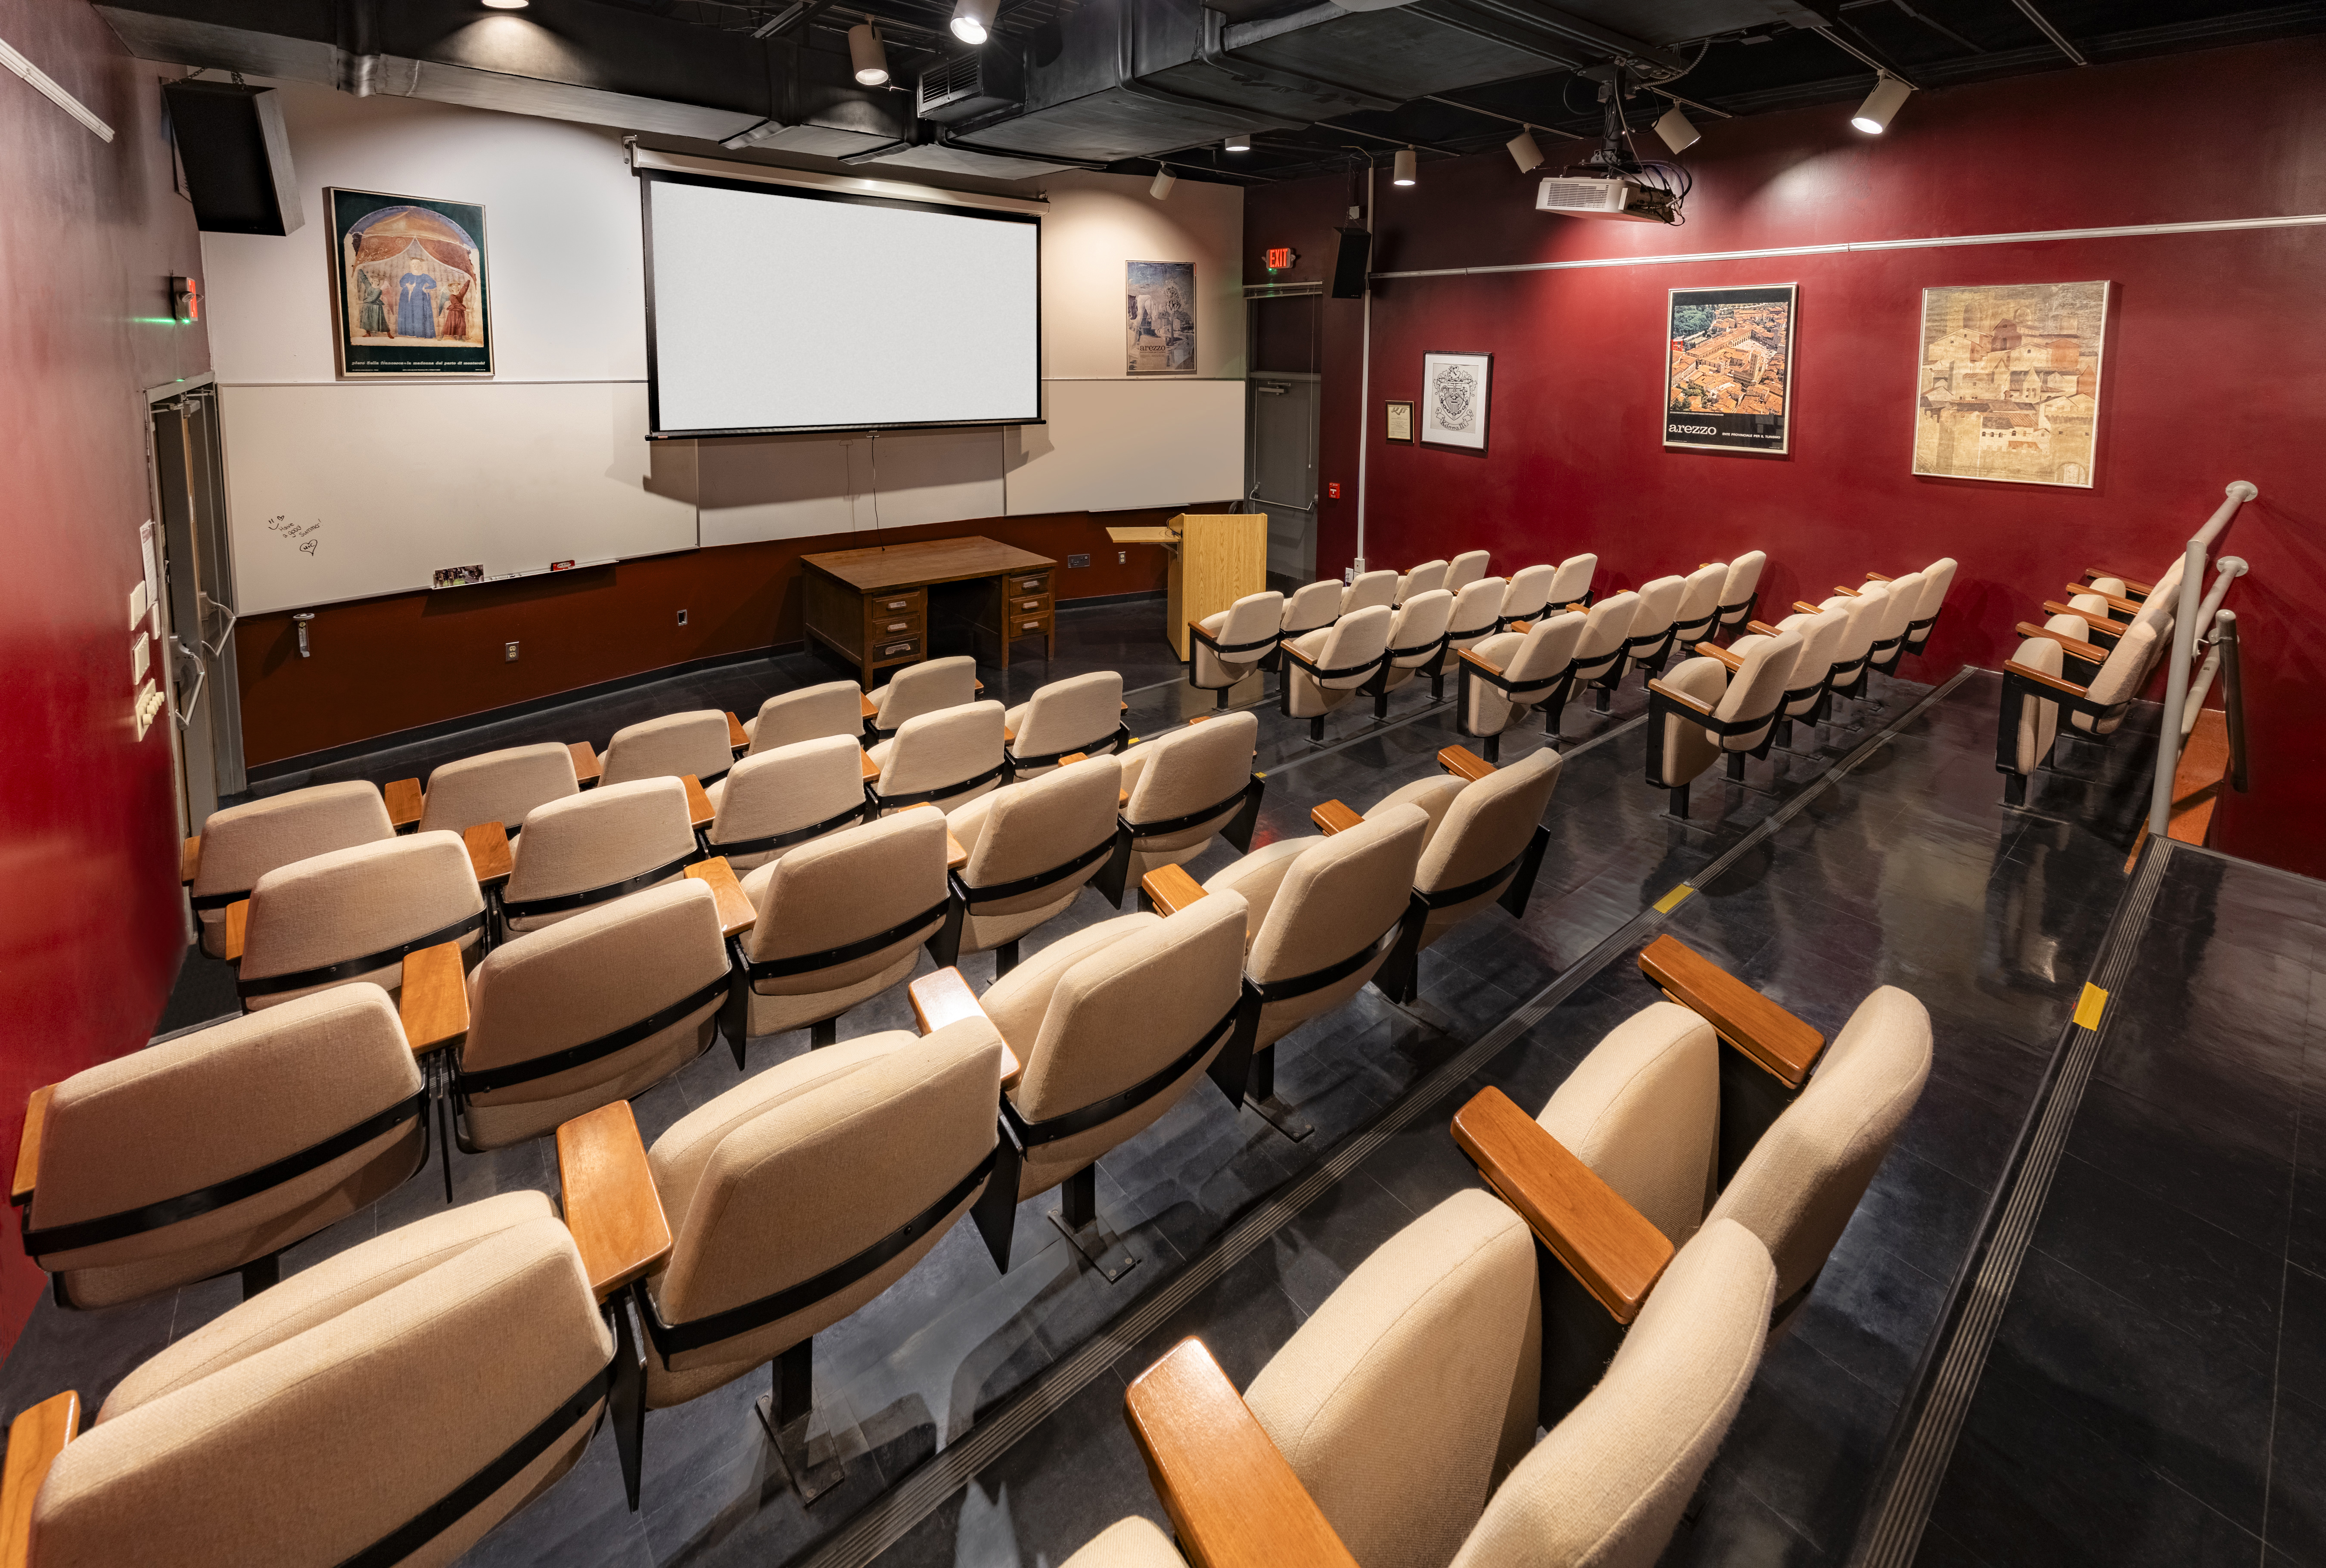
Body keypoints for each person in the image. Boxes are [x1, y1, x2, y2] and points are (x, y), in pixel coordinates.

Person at [395, 258, 438, 339]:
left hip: (420, 297)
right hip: (407, 296)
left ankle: (420, 334)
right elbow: (401, 283)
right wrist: (407, 285)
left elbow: (434, 284)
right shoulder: (408, 275)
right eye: (413, 264)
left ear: (420, 265)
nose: (415, 266)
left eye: (416, 264)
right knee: (409, 313)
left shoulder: (425, 276)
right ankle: (410, 333)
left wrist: (426, 288)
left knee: (419, 314)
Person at [355, 267, 390, 338]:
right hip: (368, 306)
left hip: (376, 307)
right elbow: (365, 279)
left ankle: (389, 334)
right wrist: (359, 269)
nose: (376, 282)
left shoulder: (378, 290)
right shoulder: (369, 287)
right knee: (367, 319)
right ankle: (368, 333)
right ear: (372, 281)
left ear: (379, 283)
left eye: (377, 281)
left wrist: (361, 302)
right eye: (375, 281)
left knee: (381, 321)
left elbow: (372, 298)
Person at [441, 277, 471, 342]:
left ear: (458, 289)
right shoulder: (451, 296)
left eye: (456, 288)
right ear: (452, 289)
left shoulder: (461, 294)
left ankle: (460, 338)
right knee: (450, 324)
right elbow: (457, 304)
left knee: (461, 324)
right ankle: (442, 335)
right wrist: (467, 310)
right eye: (454, 288)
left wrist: (469, 280)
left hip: (460, 312)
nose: (455, 289)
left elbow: (465, 288)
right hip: (453, 312)